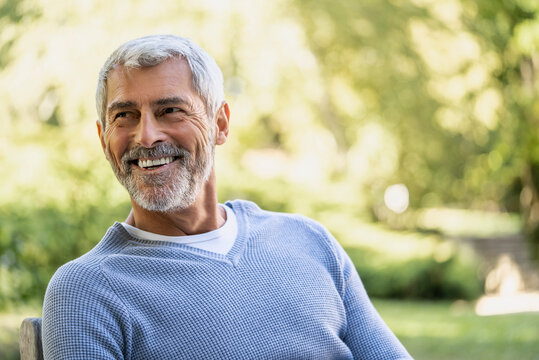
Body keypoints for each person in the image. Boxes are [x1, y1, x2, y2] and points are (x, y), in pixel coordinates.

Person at [42, 34, 412, 359]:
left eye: (170, 110)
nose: (147, 136)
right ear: (103, 139)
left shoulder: (309, 242)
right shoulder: (87, 291)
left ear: (220, 123)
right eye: (125, 115)